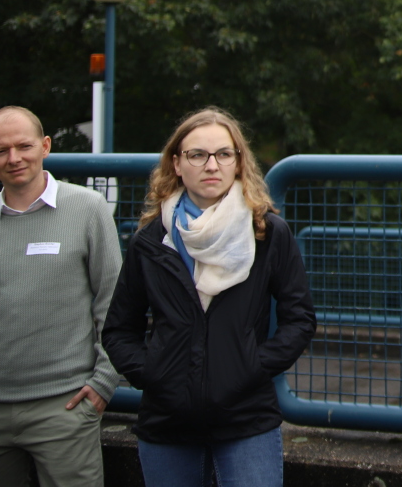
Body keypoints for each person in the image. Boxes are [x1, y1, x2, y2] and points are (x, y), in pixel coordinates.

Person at [102, 107, 315, 487]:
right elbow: (119, 329)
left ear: (238, 162)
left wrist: (252, 365)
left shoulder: (268, 233)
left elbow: (299, 319)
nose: (211, 165)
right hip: (167, 420)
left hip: (246, 416)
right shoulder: (151, 241)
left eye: (223, 154)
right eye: (197, 155)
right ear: (177, 164)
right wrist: (154, 374)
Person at [0, 106, 121, 487]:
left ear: (45, 146)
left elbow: (114, 301)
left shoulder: (88, 208)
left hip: (64, 405)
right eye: (0, 151)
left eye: (24, 146)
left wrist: (104, 382)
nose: (14, 158)